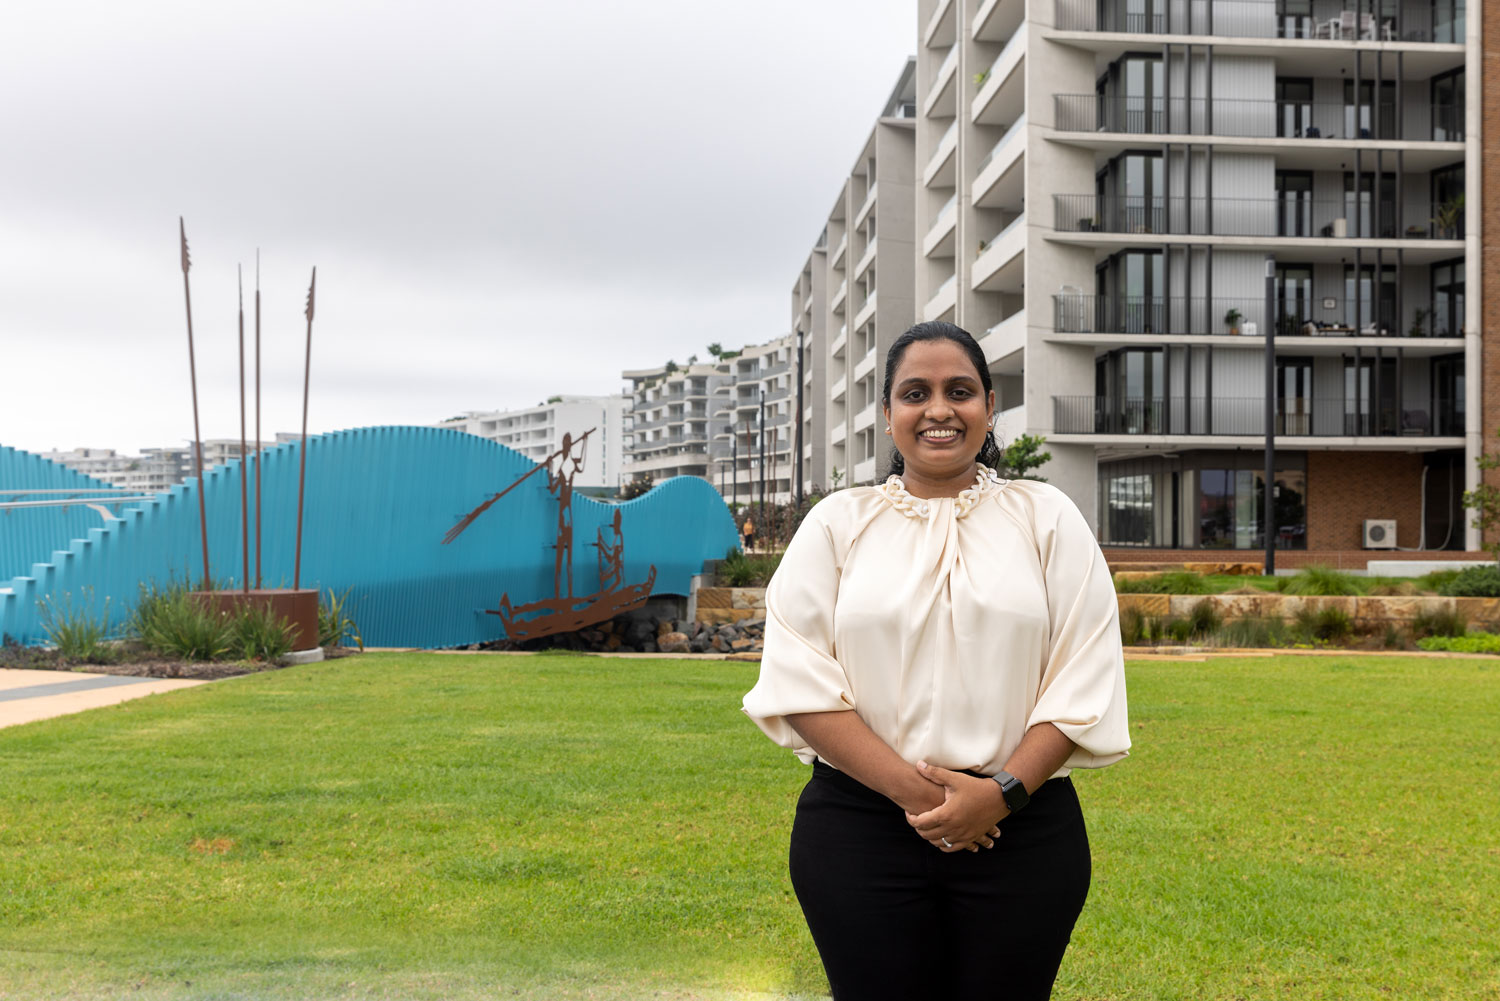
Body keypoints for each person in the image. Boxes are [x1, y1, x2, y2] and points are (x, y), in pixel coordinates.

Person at [742, 321, 1130, 1000]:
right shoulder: (837, 523)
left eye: (960, 391)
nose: (939, 410)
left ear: (989, 405)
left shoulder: (1047, 517)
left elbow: (1083, 674)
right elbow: (798, 680)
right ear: (888, 412)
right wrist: (927, 798)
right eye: (915, 393)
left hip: (1022, 830)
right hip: (860, 832)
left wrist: (998, 795)